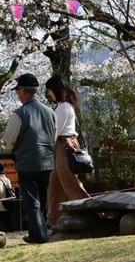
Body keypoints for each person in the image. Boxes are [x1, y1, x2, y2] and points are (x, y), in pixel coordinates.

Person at [2, 73, 56, 243]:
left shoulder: (20, 113)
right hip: (47, 161)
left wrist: (16, 149)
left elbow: (9, 140)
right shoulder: (50, 112)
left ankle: (41, 236)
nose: (17, 94)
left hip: (27, 162)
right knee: (42, 200)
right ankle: (35, 233)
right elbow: (53, 136)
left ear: (24, 91)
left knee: (32, 202)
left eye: (18, 90)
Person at [44, 75, 91, 227]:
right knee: (54, 183)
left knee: (71, 183)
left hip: (64, 145)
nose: (49, 94)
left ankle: (92, 211)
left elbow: (55, 131)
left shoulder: (63, 107)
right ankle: (53, 218)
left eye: (50, 90)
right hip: (64, 144)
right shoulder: (65, 106)